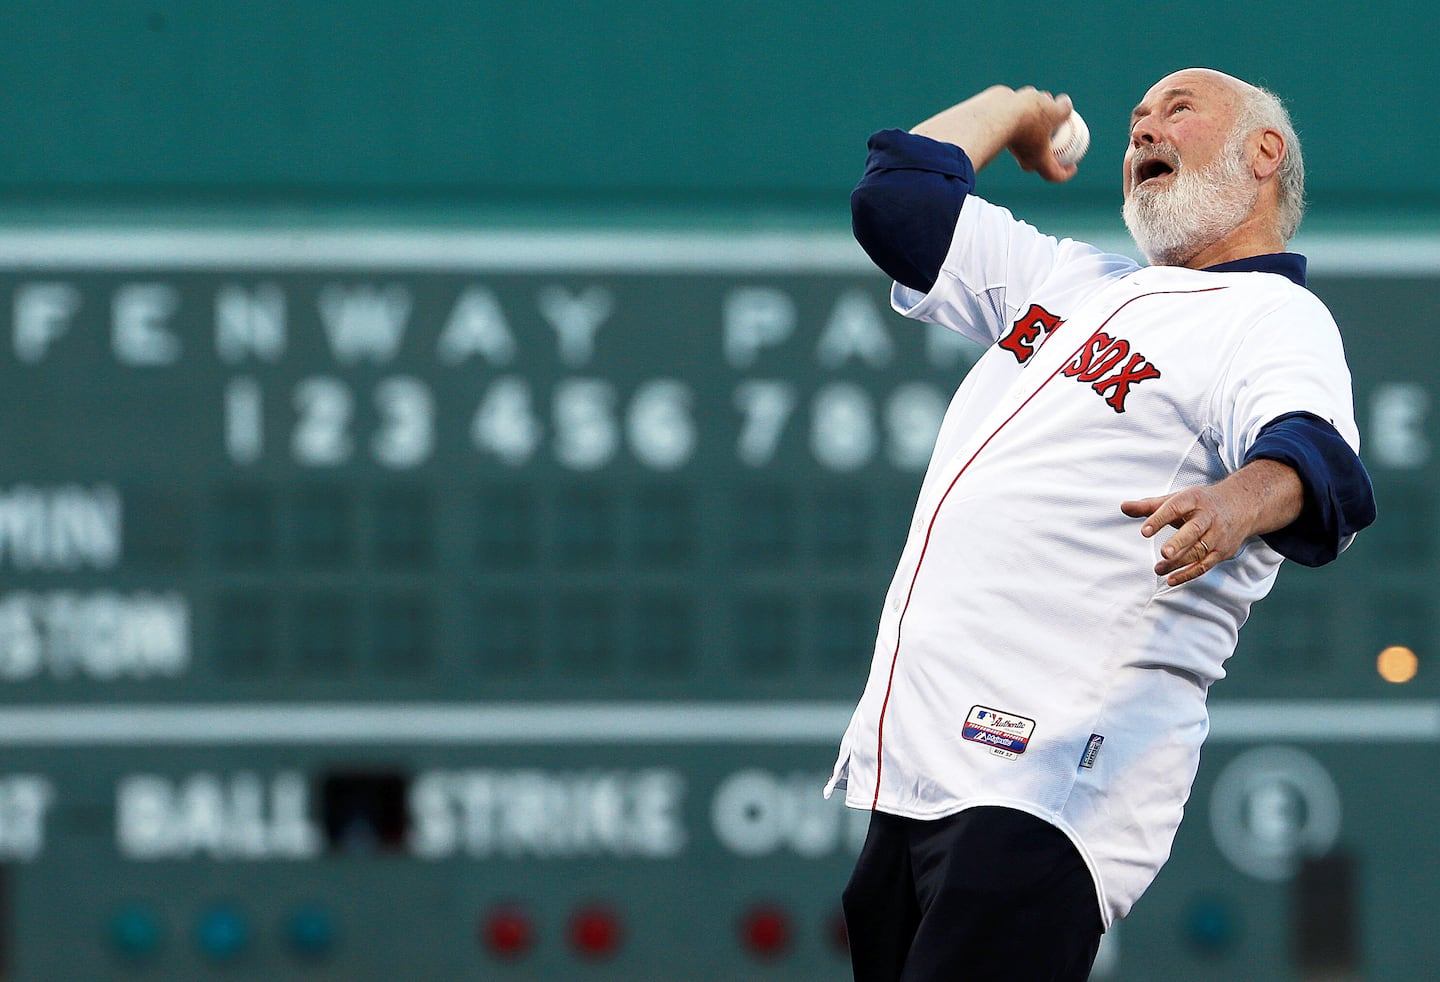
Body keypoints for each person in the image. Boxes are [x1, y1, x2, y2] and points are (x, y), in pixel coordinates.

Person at [825, 68, 1377, 981]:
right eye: (1134, 123)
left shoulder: (1273, 317)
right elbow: (898, 200)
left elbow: (1322, 466)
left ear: (1265, 153)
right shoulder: (1074, 282)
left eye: (1177, 111)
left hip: (1047, 777)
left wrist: (1235, 503)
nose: (1144, 132)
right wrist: (1013, 111)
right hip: (922, 775)